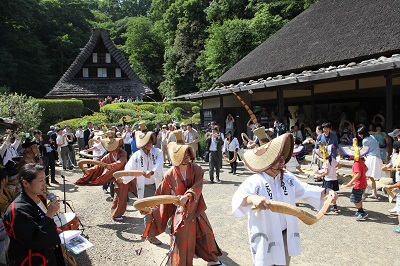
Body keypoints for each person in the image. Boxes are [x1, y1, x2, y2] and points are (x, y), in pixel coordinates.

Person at [232, 133, 337, 266]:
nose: (283, 162)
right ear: (267, 162)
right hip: (266, 234)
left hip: (285, 234)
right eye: (278, 159)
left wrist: (327, 193)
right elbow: (238, 199)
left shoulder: (288, 179)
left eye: (282, 158)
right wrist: (253, 198)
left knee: (283, 263)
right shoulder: (254, 181)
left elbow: (305, 189)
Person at [142, 130, 224, 266]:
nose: (186, 159)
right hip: (180, 213)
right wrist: (150, 209)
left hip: (196, 209)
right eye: (182, 156)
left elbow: (197, 187)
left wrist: (188, 196)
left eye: (188, 155)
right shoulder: (169, 174)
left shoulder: (197, 169)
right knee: (182, 241)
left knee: (206, 235)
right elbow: (161, 196)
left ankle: (213, 260)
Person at [4, 163, 65, 266]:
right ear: (25, 183)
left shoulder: (39, 198)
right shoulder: (17, 210)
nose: (44, 185)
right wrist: (50, 214)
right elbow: (35, 240)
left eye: (45, 179)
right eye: (40, 181)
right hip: (32, 259)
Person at [116, 123, 163, 226]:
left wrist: (151, 172)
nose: (149, 143)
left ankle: (160, 226)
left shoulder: (158, 152)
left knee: (161, 208)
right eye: (146, 142)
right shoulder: (136, 156)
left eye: (150, 141)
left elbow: (159, 164)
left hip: (158, 184)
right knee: (147, 210)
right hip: (145, 187)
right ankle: (149, 233)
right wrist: (123, 179)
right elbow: (130, 169)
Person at [341, 138, 370, 221]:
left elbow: (358, 174)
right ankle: (359, 210)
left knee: (354, 199)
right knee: (358, 198)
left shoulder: (357, 163)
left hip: (359, 184)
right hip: (363, 183)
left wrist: (350, 182)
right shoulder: (361, 161)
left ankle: (361, 212)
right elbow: (366, 169)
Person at [357, 126, 384, 199]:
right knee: (371, 177)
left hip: (371, 158)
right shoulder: (372, 137)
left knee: (364, 176)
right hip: (376, 157)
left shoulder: (365, 140)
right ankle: (374, 193)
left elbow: (364, 151)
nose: (359, 136)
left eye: (360, 134)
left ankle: (363, 195)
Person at [314, 144, 342, 212]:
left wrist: (319, 176)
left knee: (327, 195)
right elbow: (340, 165)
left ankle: (325, 208)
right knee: (332, 194)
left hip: (328, 180)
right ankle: (335, 207)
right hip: (334, 179)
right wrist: (335, 169)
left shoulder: (326, 162)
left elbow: (326, 172)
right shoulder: (332, 159)